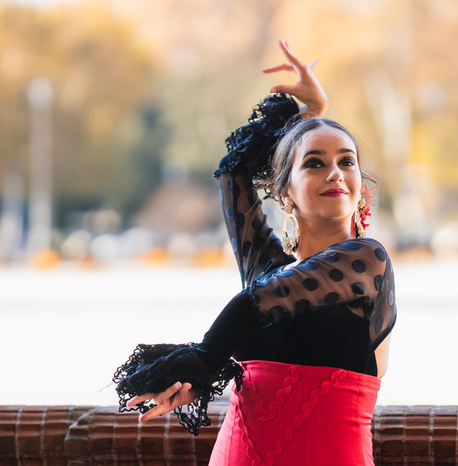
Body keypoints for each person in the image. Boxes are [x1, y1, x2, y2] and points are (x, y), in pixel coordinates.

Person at [113, 39, 397, 466]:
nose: (335, 172)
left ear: (360, 187)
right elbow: (233, 172)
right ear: (284, 193)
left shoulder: (366, 262)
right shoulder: (264, 268)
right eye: (314, 163)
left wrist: (202, 360)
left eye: (347, 161)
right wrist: (309, 113)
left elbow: (257, 303)